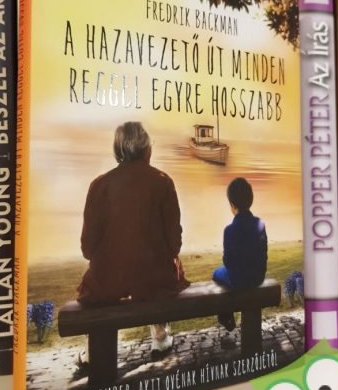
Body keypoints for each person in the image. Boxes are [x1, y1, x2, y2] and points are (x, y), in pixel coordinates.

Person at [77, 121, 189, 356]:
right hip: (155, 281)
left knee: (98, 280)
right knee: (165, 270)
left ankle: (92, 350)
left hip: (108, 282)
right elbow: (174, 245)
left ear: (118, 150)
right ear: (147, 148)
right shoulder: (163, 182)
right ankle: (160, 335)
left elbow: (87, 248)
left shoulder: (99, 185)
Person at [212, 177, 267, 332]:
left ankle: (226, 315)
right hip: (258, 276)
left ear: (232, 204)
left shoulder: (229, 230)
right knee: (229, 274)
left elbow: (228, 262)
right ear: (250, 200)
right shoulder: (260, 224)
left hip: (239, 280)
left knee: (216, 273)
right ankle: (227, 315)